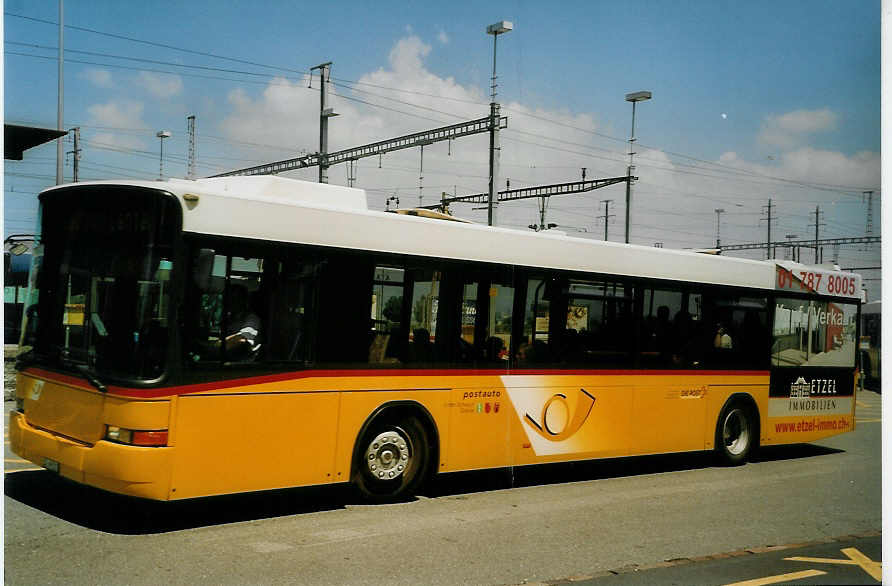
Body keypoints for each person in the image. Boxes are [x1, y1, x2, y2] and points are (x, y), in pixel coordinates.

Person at [224, 285, 262, 360]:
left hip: (243, 363)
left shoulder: (252, 319)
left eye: (235, 298)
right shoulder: (230, 318)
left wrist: (216, 345)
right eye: (229, 298)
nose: (231, 302)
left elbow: (241, 340)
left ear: (244, 301)